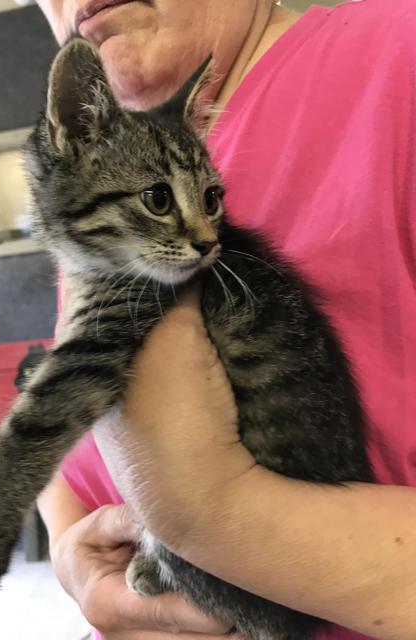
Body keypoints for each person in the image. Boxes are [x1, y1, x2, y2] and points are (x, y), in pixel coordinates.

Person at [35, 1, 416, 639]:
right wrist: (70, 556)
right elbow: (79, 437)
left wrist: (209, 515)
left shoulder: (401, 57)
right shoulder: (97, 179)